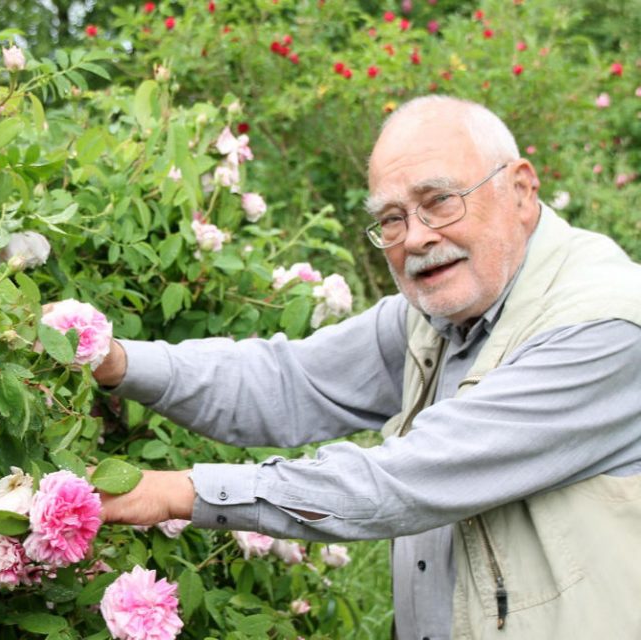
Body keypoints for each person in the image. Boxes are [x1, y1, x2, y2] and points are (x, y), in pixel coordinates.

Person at [91, 95, 641, 639]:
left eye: (440, 201)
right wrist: (115, 360)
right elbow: (291, 382)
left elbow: (410, 479)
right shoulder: (435, 315)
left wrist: (177, 492)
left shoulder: (606, 324)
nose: (417, 237)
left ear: (519, 189)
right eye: (392, 219)